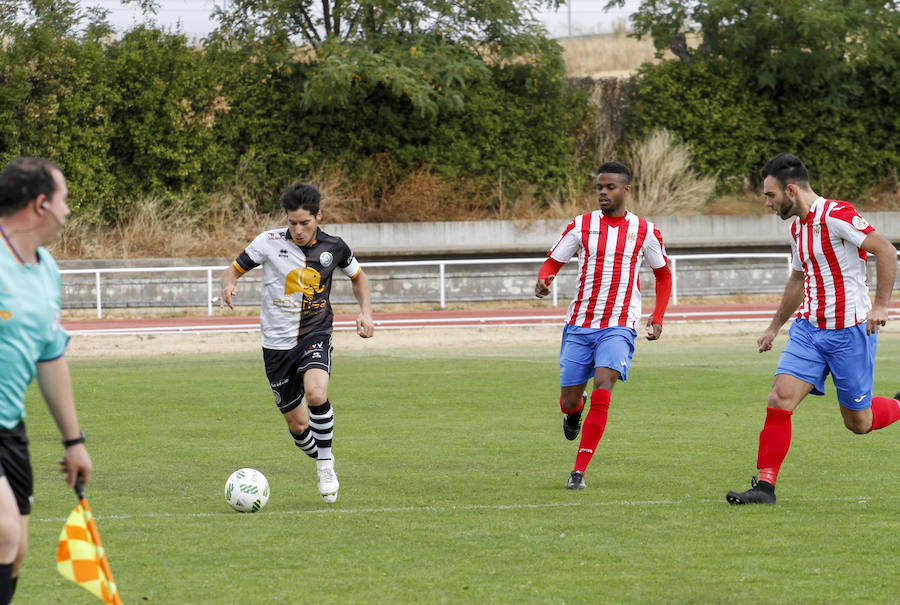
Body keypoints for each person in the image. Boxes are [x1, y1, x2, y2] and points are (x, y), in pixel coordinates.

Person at [726, 152, 900, 505]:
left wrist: (881, 305)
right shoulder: (796, 228)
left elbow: (886, 251)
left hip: (848, 333)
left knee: (859, 423)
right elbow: (797, 279)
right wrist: (775, 327)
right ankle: (765, 487)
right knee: (779, 399)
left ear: (791, 190)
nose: (768, 204)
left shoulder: (837, 215)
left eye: (770, 195)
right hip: (808, 330)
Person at [219, 183, 374, 503]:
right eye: (292, 223)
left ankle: (326, 464)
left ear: (318, 216)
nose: (298, 230)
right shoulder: (268, 242)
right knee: (299, 426)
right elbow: (232, 271)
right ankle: (318, 456)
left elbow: (359, 277)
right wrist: (228, 286)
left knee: (317, 393)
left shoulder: (335, 247)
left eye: (305, 222)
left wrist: (366, 312)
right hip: (276, 346)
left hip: (314, 334)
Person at [535, 161, 672, 490]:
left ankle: (578, 471)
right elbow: (554, 261)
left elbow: (663, 273)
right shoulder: (581, 226)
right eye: (599, 187)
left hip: (620, 324)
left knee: (604, 384)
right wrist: (544, 280)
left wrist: (659, 314)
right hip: (580, 324)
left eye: (609, 187)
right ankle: (573, 412)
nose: (602, 193)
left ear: (626, 190)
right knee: (569, 399)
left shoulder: (645, 231)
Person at [0, 157, 92, 603]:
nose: (68, 210)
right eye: (64, 200)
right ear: (41, 205)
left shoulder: (47, 269)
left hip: (10, 430)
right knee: (3, 531)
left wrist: (73, 441)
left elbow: (50, 358)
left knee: (15, 551)